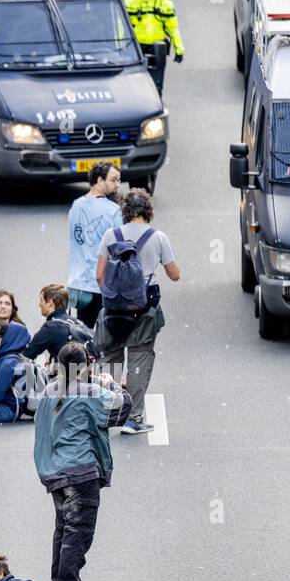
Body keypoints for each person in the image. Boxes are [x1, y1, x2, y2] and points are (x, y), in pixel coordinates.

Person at [34, 342, 133, 581]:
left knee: (63, 528)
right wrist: (111, 383)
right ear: (86, 365)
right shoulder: (90, 392)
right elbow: (122, 408)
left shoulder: (49, 390)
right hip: (81, 471)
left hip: (54, 470)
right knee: (79, 530)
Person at [95, 188, 180, 435]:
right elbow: (175, 275)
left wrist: (114, 296)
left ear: (125, 211)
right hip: (145, 306)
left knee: (111, 359)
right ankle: (132, 418)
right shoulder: (158, 237)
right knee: (139, 359)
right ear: (148, 211)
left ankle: (108, 413)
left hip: (113, 307)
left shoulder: (111, 235)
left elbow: (99, 275)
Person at [67, 162, 122, 328]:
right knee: (106, 338)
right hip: (103, 285)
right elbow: (120, 249)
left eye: (119, 180)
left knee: (84, 335)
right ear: (99, 180)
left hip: (78, 285)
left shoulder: (75, 206)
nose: (117, 185)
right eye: (113, 180)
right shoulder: (113, 210)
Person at [125, 0, 185, 95]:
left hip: (158, 49)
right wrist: (121, 48)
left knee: (156, 86)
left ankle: (155, 111)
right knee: (135, 83)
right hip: (137, 49)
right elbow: (121, 27)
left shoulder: (165, 4)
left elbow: (173, 28)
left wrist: (179, 49)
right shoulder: (130, 3)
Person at [22, 283, 94, 365]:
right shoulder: (77, 322)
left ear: (50, 302)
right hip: (86, 373)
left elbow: (27, 355)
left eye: (41, 300)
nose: (39, 304)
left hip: (67, 375)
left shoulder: (51, 327)